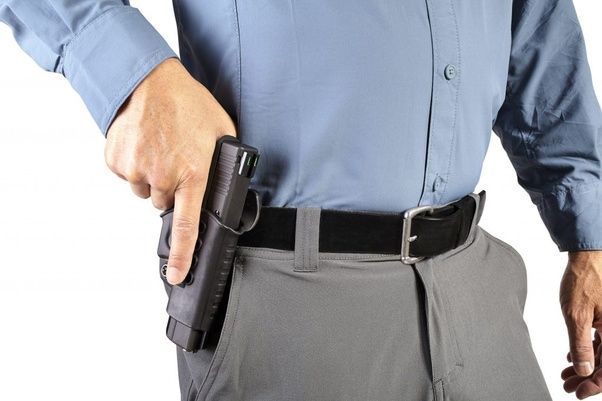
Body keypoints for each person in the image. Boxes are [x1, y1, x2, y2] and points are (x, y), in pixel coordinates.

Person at [1, 1, 602, 400]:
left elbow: (539, 26)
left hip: (479, 295)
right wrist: (134, 78)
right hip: (288, 297)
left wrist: (589, 234)